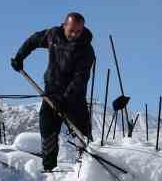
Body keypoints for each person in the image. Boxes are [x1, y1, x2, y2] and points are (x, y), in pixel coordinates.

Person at [11, 12, 97, 172]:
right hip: (51, 90)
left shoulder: (86, 49)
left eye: (78, 31)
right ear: (64, 26)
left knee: (81, 132)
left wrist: (65, 100)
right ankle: (48, 168)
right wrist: (20, 56)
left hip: (74, 97)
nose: (74, 35)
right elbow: (34, 40)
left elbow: (80, 79)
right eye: (71, 30)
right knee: (47, 126)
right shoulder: (53, 35)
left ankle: (89, 169)